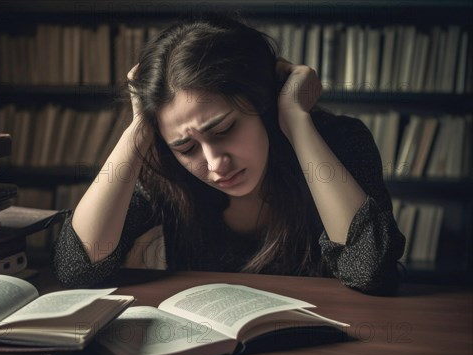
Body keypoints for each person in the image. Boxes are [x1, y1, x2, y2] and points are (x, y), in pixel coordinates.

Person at [52, 14, 406, 295]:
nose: (215, 163)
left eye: (224, 130)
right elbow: (77, 267)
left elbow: (370, 270)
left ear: (263, 103)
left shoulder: (339, 142)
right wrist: (140, 128)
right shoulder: (165, 171)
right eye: (186, 147)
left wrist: (296, 121)